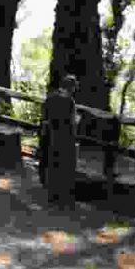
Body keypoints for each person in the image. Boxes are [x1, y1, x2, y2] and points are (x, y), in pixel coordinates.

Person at [39, 74, 79, 208]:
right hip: (64, 136)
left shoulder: (50, 98)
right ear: (71, 88)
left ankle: (50, 192)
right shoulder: (70, 102)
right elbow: (72, 122)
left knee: (51, 162)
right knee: (62, 165)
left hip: (50, 134)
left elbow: (44, 116)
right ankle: (60, 196)